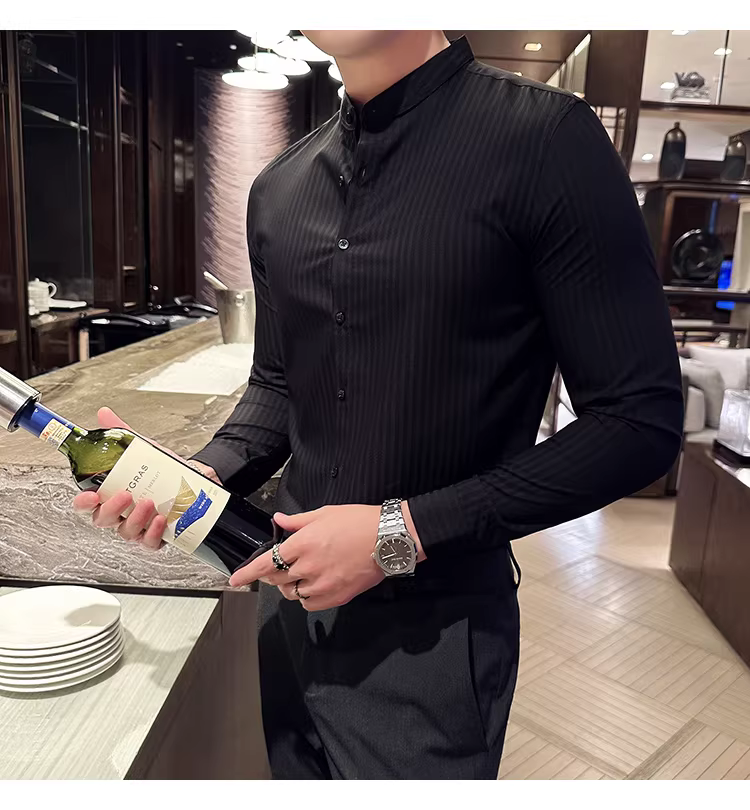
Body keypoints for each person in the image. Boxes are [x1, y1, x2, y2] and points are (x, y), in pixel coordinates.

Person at [73, 30, 684, 779]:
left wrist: (398, 535)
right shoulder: (280, 187)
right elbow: (278, 387)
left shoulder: (544, 139)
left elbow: (637, 420)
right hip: (287, 611)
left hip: (433, 636)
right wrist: (200, 472)